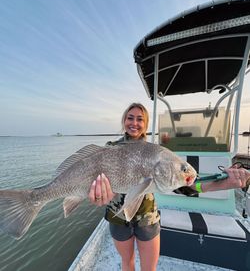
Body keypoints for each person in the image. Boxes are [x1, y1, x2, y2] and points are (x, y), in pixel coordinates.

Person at [89, 102, 250, 271]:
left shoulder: (158, 153)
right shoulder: (109, 149)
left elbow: (187, 187)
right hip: (117, 217)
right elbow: (95, 182)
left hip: (147, 218)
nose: (134, 123)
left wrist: (225, 183)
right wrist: (98, 196)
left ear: (145, 124)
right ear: (124, 121)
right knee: (127, 262)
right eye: (130, 118)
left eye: (139, 119)